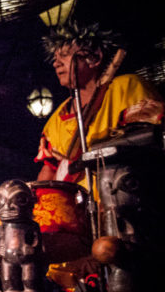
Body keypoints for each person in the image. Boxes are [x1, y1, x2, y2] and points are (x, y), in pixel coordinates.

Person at [35, 20, 163, 183]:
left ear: (94, 58)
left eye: (65, 55)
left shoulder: (127, 88)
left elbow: (148, 146)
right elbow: (48, 172)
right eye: (55, 58)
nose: (56, 63)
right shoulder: (55, 121)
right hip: (74, 207)